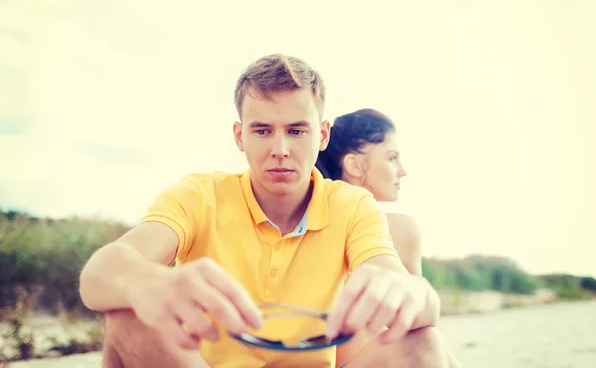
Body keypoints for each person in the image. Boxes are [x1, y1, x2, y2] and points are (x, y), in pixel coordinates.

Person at [79, 54, 449, 368]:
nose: (281, 148)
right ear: (240, 136)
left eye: (296, 130)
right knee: (127, 316)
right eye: (262, 131)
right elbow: (100, 274)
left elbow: (413, 297)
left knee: (425, 345)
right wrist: (148, 283)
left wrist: (411, 292)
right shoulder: (198, 194)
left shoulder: (352, 205)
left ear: (322, 135)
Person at [316, 108, 462, 367]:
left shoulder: (402, 231)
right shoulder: (399, 230)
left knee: (429, 343)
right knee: (426, 343)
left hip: (388, 358)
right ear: (354, 165)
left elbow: (419, 325)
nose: (402, 171)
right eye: (392, 158)